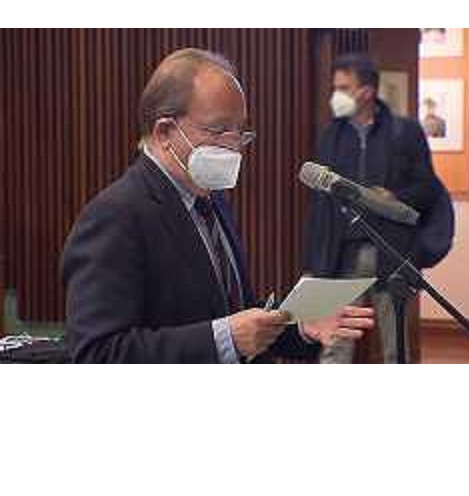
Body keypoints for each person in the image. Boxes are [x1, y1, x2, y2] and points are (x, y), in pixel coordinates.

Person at [63, 48, 374, 364]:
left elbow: (233, 312)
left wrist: (300, 326)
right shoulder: (116, 215)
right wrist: (225, 339)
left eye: (240, 133)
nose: (234, 147)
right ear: (165, 132)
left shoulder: (212, 200)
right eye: (218, 130)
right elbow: (97, 354)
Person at [304, 54, 441, 364]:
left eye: (343, 88)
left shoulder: (405, 132)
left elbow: (427, 188)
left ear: (366, 91)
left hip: (391, 252)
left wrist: (394, 196)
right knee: (335, 345)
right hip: (341, 255)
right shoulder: (331, 135)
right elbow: (319, 204)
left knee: (396, 347)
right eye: (335, 87)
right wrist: (312, 263)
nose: (335, 95)